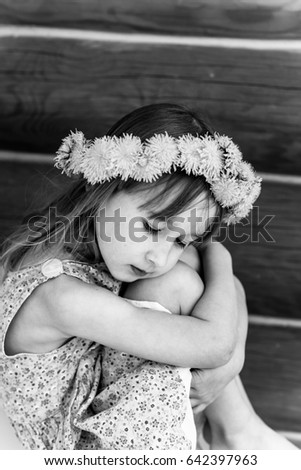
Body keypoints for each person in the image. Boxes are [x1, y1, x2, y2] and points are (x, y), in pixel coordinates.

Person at [0, 104, 296, 450]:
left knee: (195, 283)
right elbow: (215, 344)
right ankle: (236, 431)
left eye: (181, 239)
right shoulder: (61, 297)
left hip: (96, 415)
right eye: (151, 228)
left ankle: (237, 429)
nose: (159, 256)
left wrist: (226, 368)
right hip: (65, 450)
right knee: (183, 285)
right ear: (105, 190)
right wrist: (220, 253)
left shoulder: (107, 244)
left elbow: (232, 293)